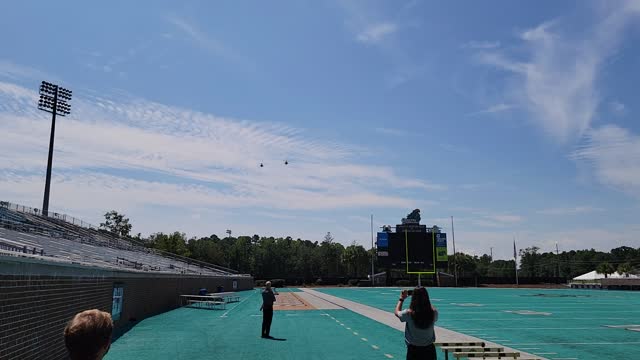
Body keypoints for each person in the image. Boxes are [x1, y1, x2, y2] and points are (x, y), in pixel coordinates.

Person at [394, 287, 439, 360]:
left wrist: (401, 299)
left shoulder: (409, 313)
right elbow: (430, 309)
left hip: (414, 350)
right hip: (429, 349)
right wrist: (424, 299)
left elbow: (396, 312)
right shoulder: (433, 313)